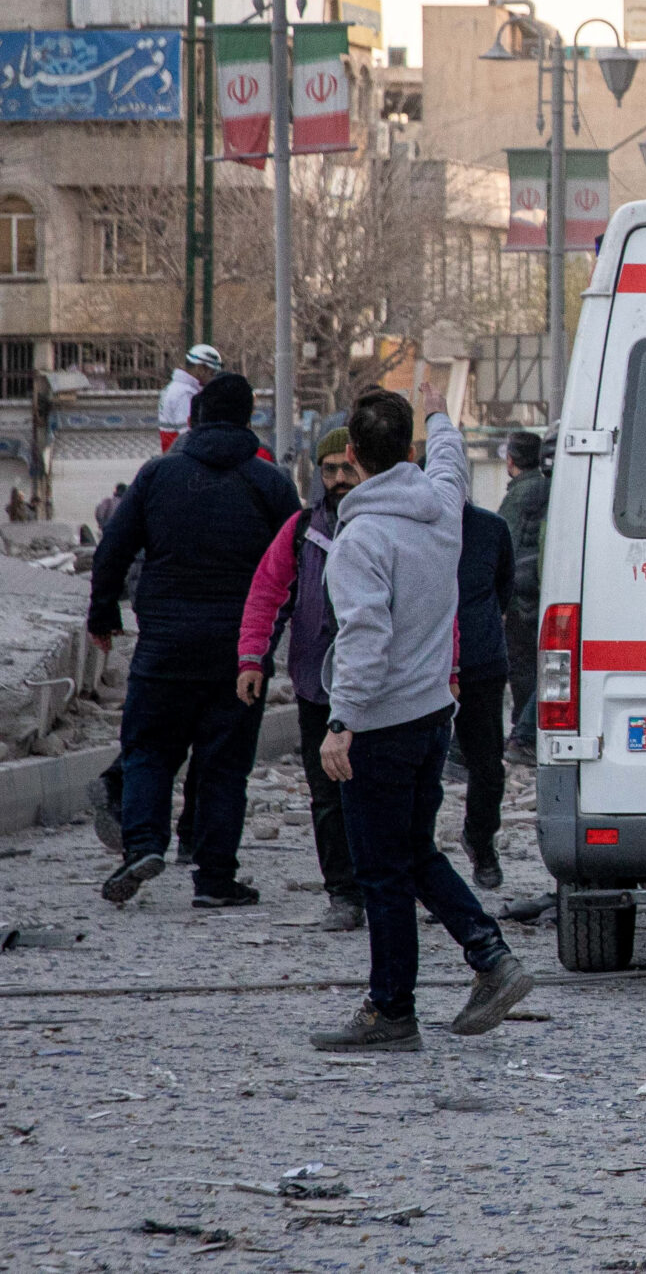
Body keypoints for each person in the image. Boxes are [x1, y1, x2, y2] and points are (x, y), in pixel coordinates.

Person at [310, 382, 533, 1051]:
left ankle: (391, 1009)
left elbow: (365, 636)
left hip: (379, 724)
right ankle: (489, 953)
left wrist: (341, 718)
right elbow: (451, 456)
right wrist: (439, 411)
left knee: (381, 869)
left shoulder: (361, 538)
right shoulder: (441, 506)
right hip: (435, 712)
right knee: (412, 851)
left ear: (351, 455)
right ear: (405, 446)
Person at [89, 372, 298, 907]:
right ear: (249, 418)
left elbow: (113, 548)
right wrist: (276, 630)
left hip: (164, 646)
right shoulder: (271, 484)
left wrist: (103, 613)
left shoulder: (158, 476)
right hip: (240, 654)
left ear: (195, 417)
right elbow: (299, 564)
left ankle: (142, 844)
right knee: (226, 767)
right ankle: (214, 879)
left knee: (149, 749)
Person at [236, 428, 366, 931]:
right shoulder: (301, 528)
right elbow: (267, 592)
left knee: (383, 792)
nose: (337, 479)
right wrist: (252, 658)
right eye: (328, 469)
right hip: (318, 686)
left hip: (381, 688)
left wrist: (450, 668)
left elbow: (437, 604)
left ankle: (390, 886)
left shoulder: (393, 526)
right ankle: (344, 893)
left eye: (346, 468)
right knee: (326, 794)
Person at [453, 497, 516, 890]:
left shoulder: (491, 529)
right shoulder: (407, 521)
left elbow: (502, 590)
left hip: (480, 665)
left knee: (488, 767)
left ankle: (480, 842)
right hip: (419, 667)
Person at [497, 430, 548, 761]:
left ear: (511, 459)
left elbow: (505, 544)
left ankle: (520, 732)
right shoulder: (546, 486)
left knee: (522, 663)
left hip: (519, 591)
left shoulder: (519, 495)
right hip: (537, 586)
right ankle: (525, 731)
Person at [156, 344, 222, 453]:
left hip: (173, 454)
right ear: (201, 369)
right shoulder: (185, 394)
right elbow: (189, 435)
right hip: (181, 457)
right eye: (212, 372)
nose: (213, 377)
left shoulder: (174, 387)